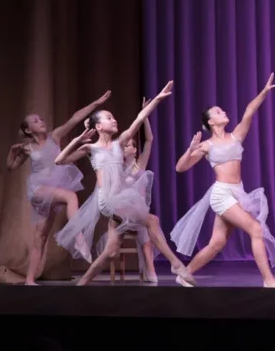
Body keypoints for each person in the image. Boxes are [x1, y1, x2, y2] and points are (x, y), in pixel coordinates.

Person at [53, 81, 196, 287]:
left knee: (110, 252)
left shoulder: (119, 144)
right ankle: (176, 265)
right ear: (98, 126)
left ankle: (82, 284)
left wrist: (157, 98)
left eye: (114, 117)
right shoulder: (91, 149)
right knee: (152, 220)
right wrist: (78, 140)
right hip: (108, 200)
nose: (114, 120)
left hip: (121, 198)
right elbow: (59, 161)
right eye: (109, 118)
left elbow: (139, 118)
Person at [171, 73, 275, 288]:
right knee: (256, 229)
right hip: (221, 194)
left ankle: (185, 273)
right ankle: (269, 280)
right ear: (211, 122)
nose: (223, 112)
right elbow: (180, 167)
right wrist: (190, 149)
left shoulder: (236, 135)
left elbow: (249, 111)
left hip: (237, 192)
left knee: (217, 243)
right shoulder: (206, 145)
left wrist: (263, 92)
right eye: (218, 112)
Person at [7, 89, 111, 285]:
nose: (41, 121)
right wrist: (12, 154)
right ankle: (79, 238)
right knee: (70, 196)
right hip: (39, 190)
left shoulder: (54, 137)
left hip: (53, 189)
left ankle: (29, 280)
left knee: (41, 236)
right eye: (35, 121)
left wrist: (96, 104)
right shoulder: (27, 148)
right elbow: (11, 167)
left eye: (40, 119)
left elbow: (74, 119)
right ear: (28, 130)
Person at [94, 97, 158, 283]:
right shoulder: (117, 167)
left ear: (135, 150)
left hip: (137, 214)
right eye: (125, 146)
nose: (125, 148)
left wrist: (145, 116)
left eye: (129, 145)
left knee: (145, 230)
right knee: (116, 247)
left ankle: (150, 270)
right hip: (121, 214)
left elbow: (149, 140)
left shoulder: (140, 165)